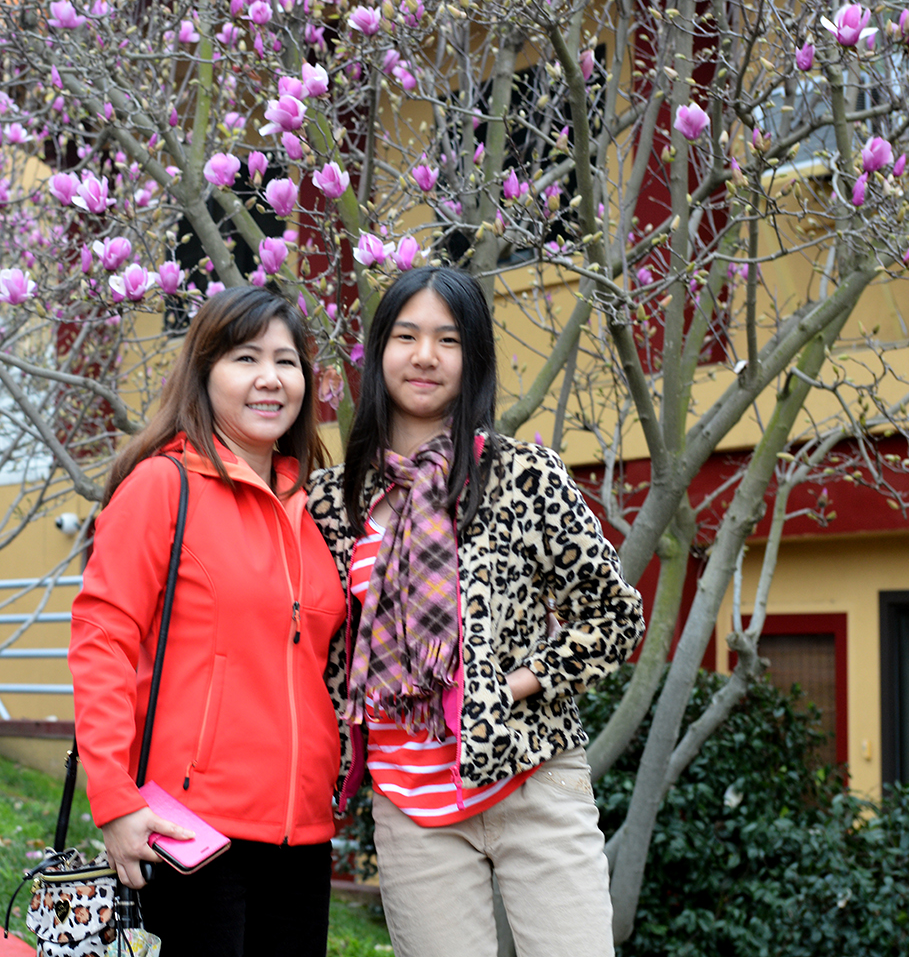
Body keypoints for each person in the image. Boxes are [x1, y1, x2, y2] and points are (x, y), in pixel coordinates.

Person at [308, 267, 645, 957]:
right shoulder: (332, 500)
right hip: (411, 807)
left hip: (534, 783)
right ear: (378, 354)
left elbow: (615, 618)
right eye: (406, 336)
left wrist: (509, 685)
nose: (425, 356)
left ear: (474, 360)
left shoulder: (523, 475)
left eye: (448, 340)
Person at [69, 285, 347, 957]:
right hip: (189, 828)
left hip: (301, 834)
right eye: (245, 358)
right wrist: (114, 799)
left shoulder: (317, 510)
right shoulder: (164, 487)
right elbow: (102, 639)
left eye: (287, 361)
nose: (269, 379)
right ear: (205, 371)